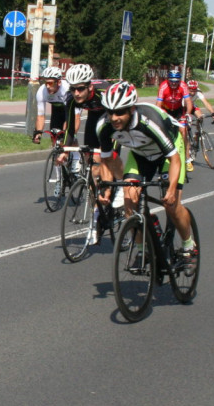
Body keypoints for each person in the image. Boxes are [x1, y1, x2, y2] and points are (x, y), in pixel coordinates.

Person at [96, 81, 196, 261]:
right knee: (129, 204)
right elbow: (106, 159)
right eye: (110, 112)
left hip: (169, 153)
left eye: (119, 112)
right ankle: (144, 250)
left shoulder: (149, 123)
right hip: (140, 154)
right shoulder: (103, 126)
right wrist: (107, 188)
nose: (114, 117)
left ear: (131, 109)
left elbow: (174, 159)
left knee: (171, 205)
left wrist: (172, 189)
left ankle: (189, 244)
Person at [156, 70, 195, 172]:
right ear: (168, 80)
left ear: (179, 80)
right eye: (171, 81)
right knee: (162, 133)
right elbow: (158, 105)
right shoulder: (163, 86)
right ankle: (161, 157)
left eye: (176, 81)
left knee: (183, 131)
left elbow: (188, 102)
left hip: (178, 111)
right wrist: (159, 117)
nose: (174, 83)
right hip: (166, 110)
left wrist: (188, 114)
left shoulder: (183, 86)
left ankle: (187, 159)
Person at [32, 66, 73, 146]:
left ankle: (75, 156)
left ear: (59, 82)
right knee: (54, 138)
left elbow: (70, 118)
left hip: (69, 110)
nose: (47, 86)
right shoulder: (42, 92)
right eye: (46, 83)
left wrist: (66, 134)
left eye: (50, 83)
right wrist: (38, 132)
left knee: (67, 139)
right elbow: (40, 116)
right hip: (56, 110)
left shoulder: (67, 90)